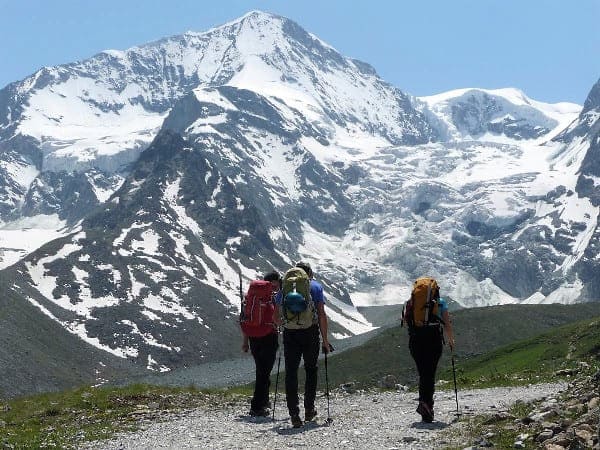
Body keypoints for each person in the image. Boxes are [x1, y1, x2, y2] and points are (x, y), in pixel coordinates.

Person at [274, 261, 332, 428]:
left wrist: (285, 325)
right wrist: (325, 340)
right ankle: (309, 409)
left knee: (291, 372)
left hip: (290, 334)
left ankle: (294, 414)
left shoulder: (285, 288)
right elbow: (321, 314)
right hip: (310, 332)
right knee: (311, 369)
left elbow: (276, 318)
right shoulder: (315, 287)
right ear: (309, 274)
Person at [404, 278, 455, 423]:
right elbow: (447, 324)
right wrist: (451, 340)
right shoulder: (440, 302)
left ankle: (424, 404)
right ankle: (426, 405)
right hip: (433, 340)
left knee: (423, 373)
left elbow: (406, 321)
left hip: (415, 341)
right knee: (430, 373)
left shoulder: (411, 303)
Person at [241, 271, 281, 417]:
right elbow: (276, 319)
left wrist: (245, 342)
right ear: (273, 282)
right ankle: (257, 406)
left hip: (253, 337)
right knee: (264, 372)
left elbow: (245, 321)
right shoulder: (271, 299)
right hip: (268, 337)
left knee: (261, 369)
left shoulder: (250, 298)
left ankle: (264, 400)